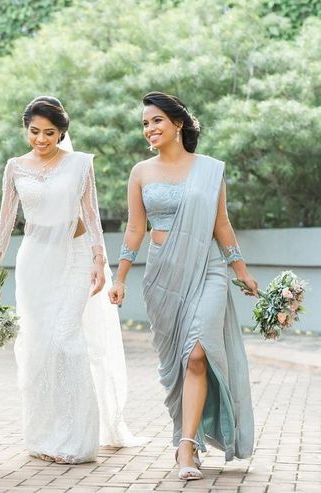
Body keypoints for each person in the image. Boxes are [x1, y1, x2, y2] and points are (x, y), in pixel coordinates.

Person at [0, 96, 144, 464]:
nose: (41, 139)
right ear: (26, 129)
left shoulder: (79, 164)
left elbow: (92, 213)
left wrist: (98, 259)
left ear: (62, 133)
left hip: (74, 258)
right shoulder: (15, 167)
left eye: (50, 133)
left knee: (65, 341)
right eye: (34, 131)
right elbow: (6, 220)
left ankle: (76, 440)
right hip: (34, 261)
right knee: (38, 348)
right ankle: (44, 436)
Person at [108, 91, 257, 480]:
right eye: (144, 123)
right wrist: (119, 276)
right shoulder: (141, 172)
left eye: (156, 120)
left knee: (197, 354)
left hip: (207, 268)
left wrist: (240, 270)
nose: (149, 128)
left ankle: (186, 447)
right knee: (178, 360)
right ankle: (186, 439)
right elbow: (136, 228)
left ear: (178, 123)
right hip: (163, 275)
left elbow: (221, 224)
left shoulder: (209, 169)